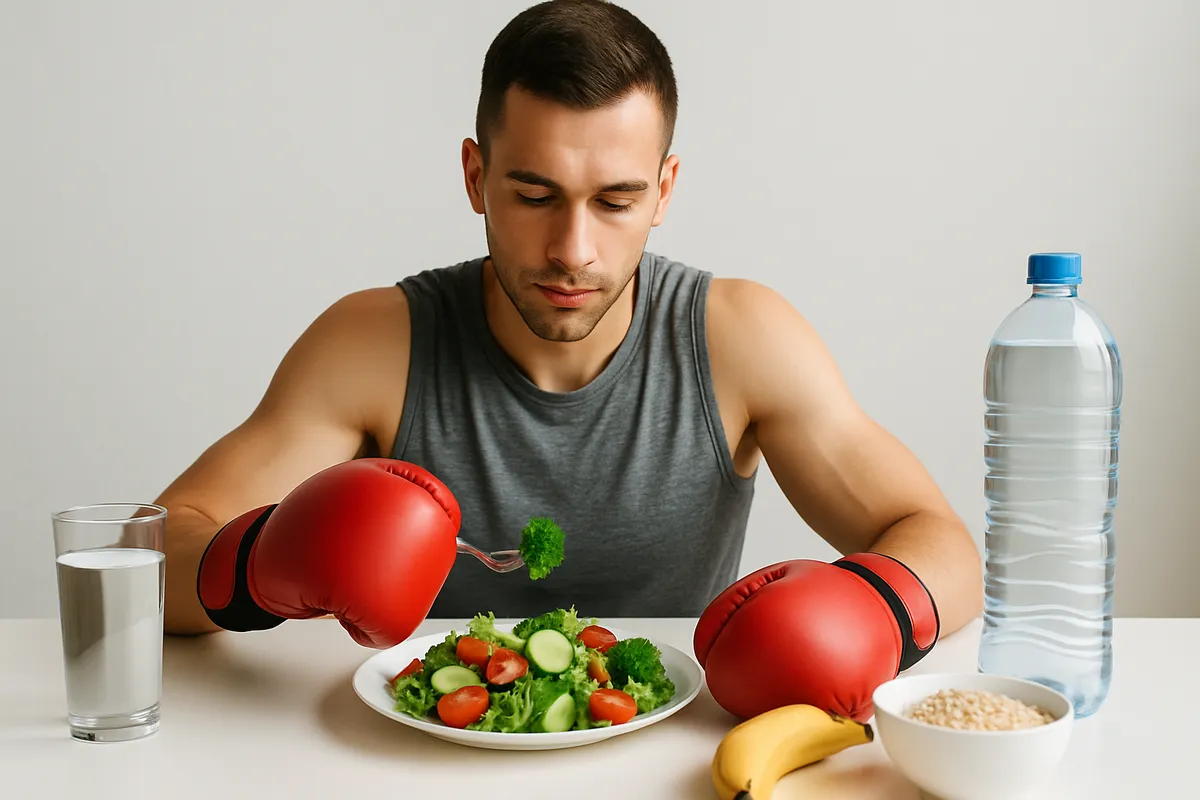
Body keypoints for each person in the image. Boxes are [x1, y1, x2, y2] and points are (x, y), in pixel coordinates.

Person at [157, 0, 982, 664]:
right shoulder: (378, 343)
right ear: (476, 178)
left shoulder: (738, 338)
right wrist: (260, 562)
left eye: (616, 202)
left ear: (664, 192)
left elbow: (943, 547)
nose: (573, 251)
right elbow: (153, 557)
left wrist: (867, 610)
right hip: (419, 759)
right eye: (535, 195)